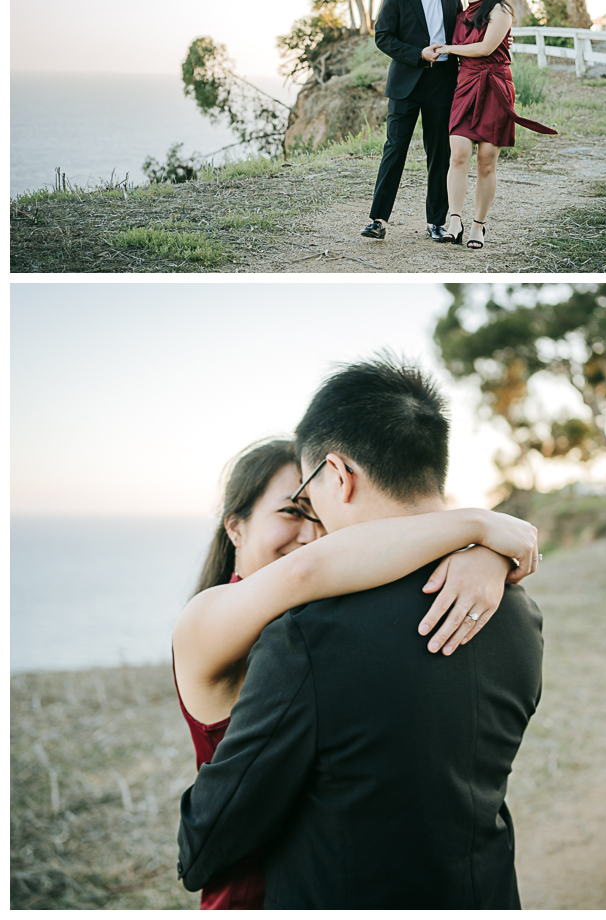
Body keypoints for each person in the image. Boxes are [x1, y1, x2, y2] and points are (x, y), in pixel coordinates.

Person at [177, 358, 543, 908]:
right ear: (235, 524)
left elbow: (205, 841)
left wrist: (482, 543)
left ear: (338, 476)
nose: (314, 531)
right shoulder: (518, 615)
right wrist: (479, 531)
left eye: (310, 500)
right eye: (291, 510)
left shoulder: (309, 635)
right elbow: (313, 569)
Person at [430, 0, 558, 250]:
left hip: (494, 86)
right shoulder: (461, 14)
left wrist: (449, 48)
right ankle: (454, 220)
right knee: (458, 154)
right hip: (465, 86)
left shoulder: (500, 10)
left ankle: (478, 225)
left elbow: (487, 48)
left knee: (486, 161)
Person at [361, 0, 463, 243]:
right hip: (406, 82)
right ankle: (378, 220)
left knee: (439, 153)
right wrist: (418, 53)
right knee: (395, 150)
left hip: (442, 81)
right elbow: (383, 37)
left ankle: (437, 223)